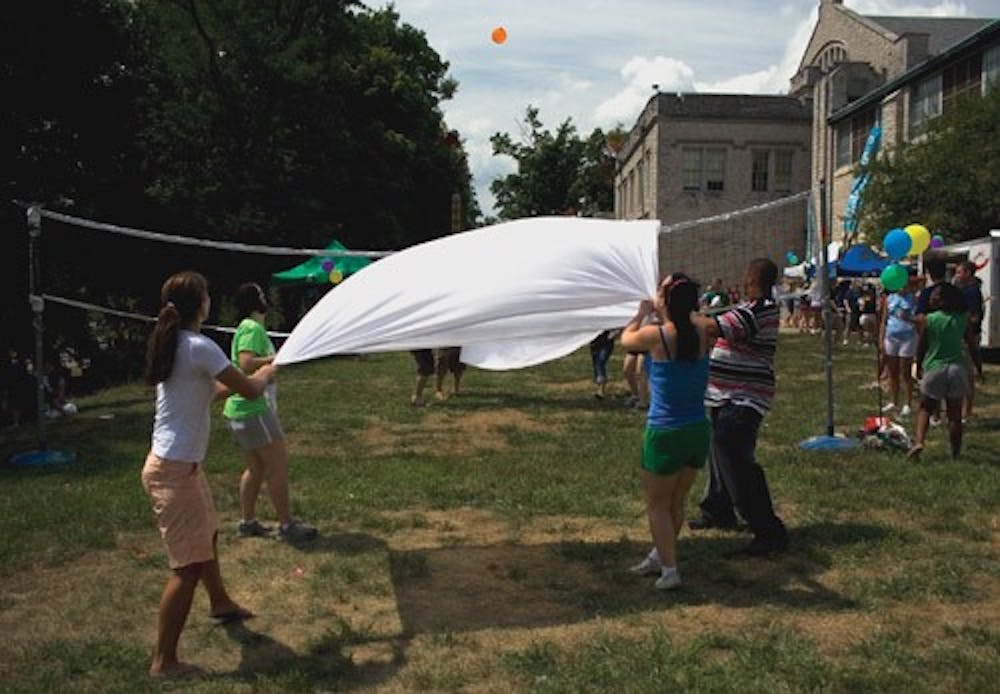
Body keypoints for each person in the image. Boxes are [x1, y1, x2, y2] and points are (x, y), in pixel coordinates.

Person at [141, 271, 277, 678]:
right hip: (173, 471)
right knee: (186, 568)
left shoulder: (181, 344)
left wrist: (251, 377)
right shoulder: (199, 346)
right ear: (199, 304)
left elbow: (213, 391)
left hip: (177, 466)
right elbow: (251, 389)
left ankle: (219, 602)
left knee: (208, 536)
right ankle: (164, 662)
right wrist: (274, 366)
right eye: (206, 294)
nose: (209, 300)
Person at [689, 258, 788, 557]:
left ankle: (767, 528)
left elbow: (712, 327)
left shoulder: (758, 310)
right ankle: (719, 509)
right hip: (725, 395)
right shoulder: (751, 308)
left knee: (737, 460)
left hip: (743, 398)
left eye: (747, 276)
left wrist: (680, 314)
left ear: (753, 279)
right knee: (719, 455)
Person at [622, 273, 712, 590]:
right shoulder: (703, 329)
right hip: (697, 430)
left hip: (665, 432)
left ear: (665, 300)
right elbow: (682, 327)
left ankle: (670, 570)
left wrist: (641, 311)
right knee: (676, 501)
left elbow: (625, 340)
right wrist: (661, 309)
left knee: (657, 505)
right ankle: (661, 555)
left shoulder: (654, 336)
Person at [223, 283, 317, 542]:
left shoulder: (246, 327)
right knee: (278, 466)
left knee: (255, 467)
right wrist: (278, 359)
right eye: (262, 294)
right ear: (256, 301)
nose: (266, 298)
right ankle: (287, 525)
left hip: (240, 409)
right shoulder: (252, 328)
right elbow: (245, 362)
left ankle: (248, 522)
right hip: (253, 409)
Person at [907, 282, 977, 460]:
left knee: (925, 408)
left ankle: (919, 442)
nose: (931, 297)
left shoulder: (929, 319)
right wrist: (979, 368)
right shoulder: (962, 319)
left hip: (934, 368)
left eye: (935, 295)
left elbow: (923, 345)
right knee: (954, 415)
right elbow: (971, 344)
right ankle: (955, 453)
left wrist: (919, 363)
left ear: (944, 300)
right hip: (957, 369)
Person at [880, 275, 919, 416]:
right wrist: (881, 338)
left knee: (905, 371)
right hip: (891, 337)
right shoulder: (889, 299)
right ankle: (893, 400)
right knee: (892, 371)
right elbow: (884, 320)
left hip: (908, 337)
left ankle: (908, 402)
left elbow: (918, 318)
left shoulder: (913, 299)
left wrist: (909, 318)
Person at [953, 260, 984, 420]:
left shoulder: (972, 292)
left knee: (967, 374)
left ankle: (967, 410)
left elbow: (974, 316)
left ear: (968, 273)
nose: (957, 276)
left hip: (968, 335)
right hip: (960, 334)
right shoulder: (963, 290)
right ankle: (962, 408)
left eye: (959, 272)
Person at [589, 329, 619, 399]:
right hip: (595, 341)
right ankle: (599, 387)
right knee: (596, 364)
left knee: (600, 363)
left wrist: (612, 334)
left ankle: (601, 390)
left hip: (606, 341)